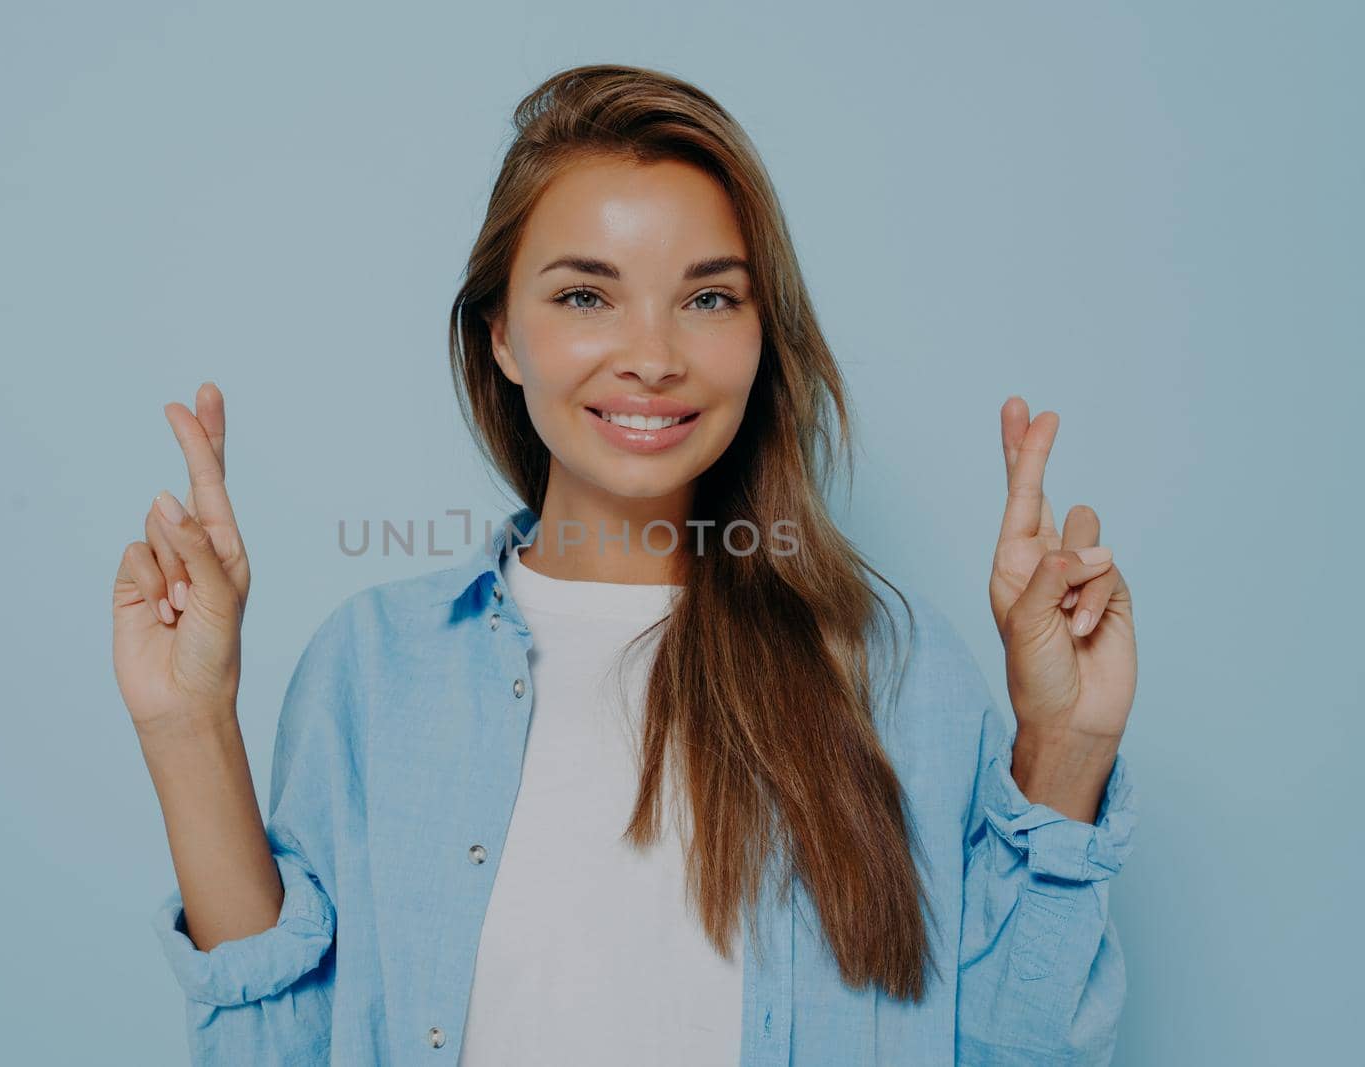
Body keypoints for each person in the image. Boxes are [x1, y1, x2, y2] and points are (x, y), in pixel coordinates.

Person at [111, 63, 1139, 1066]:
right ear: (502, 334)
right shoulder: (374, 668)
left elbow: (1021, 1049)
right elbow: (276, 1047)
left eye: (707, 299)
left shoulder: (896, 670)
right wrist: (188, 724)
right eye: (585, 296)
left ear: (759, 337)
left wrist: (1068, 741)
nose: (651, 355)